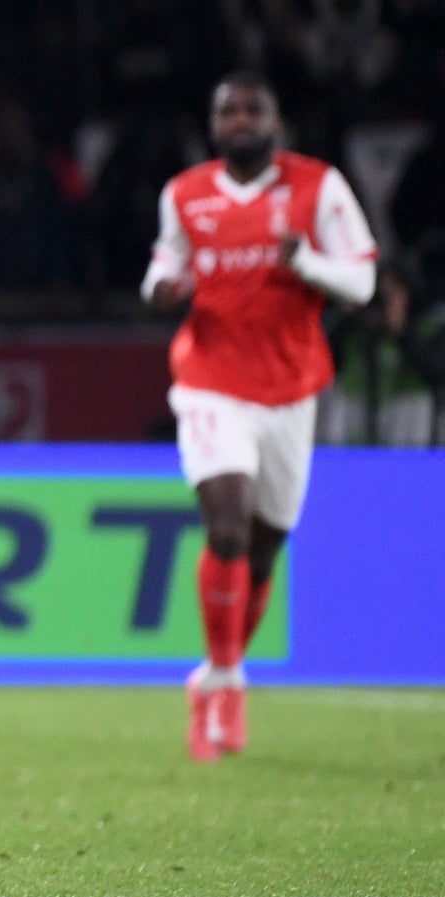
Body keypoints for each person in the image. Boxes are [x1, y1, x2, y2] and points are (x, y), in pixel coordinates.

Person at [141, 71, 377, 762]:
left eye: (253, 109)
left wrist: (307, 263)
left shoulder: (318, 187)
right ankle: (232, 683)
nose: (240, 120)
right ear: (214, 125)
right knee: (227, 525)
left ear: (276, 121)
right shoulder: (185, 194)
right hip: (211, 382)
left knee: (267, 546)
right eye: (227, 111)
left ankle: (210, 677)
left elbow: (361, 279)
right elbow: (161, 269)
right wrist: (164, 287)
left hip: (291, 389)